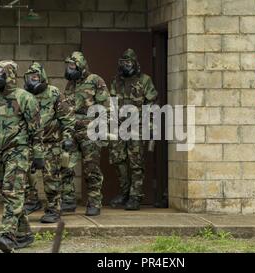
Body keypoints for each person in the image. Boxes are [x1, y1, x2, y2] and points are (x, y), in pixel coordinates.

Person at [0, 60, 44, 253]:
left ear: (10, 76)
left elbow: (36, 131)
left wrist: (38, 155)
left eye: (0, 74)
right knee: (6, 192)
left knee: (13, 192)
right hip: (0, 153)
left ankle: (7, 235)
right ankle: (25, 233)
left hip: (18, 151)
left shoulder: (25, 98)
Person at [23, 62, 75, 223]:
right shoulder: (24, 95)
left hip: (50, 143)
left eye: (36, 76)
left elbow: (67, 117)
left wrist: (67, 137)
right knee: (25, 175)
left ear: (42, 77)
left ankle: (54, 209)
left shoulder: (54, 93)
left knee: (51, 178)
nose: (33, 80)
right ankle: (32, 201)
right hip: (30, 143)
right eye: (30, 77)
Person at [60, 51, 110, 217]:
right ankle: (68, 201)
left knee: (91, 169)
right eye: (68, 65)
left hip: (90, 131)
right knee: (65, 165)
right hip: (71, 131)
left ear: (80, 65)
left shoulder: (95, 80)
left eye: (72, 65)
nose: (69, 68)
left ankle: (94, 202)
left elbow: (106, 107)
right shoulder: (70, 84)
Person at [109, 49, 158, 211]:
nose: (126, 66)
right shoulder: (116, 81)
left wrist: (151, 129)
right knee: (118, 160)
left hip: (137, 127)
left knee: (136, 163)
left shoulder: (145, 81)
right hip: (119, 128)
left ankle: (135, 196)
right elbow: (111, 106)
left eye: (129, 62)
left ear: (135, 63)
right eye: (123, 63)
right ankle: (125, 192)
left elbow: (151, 106)